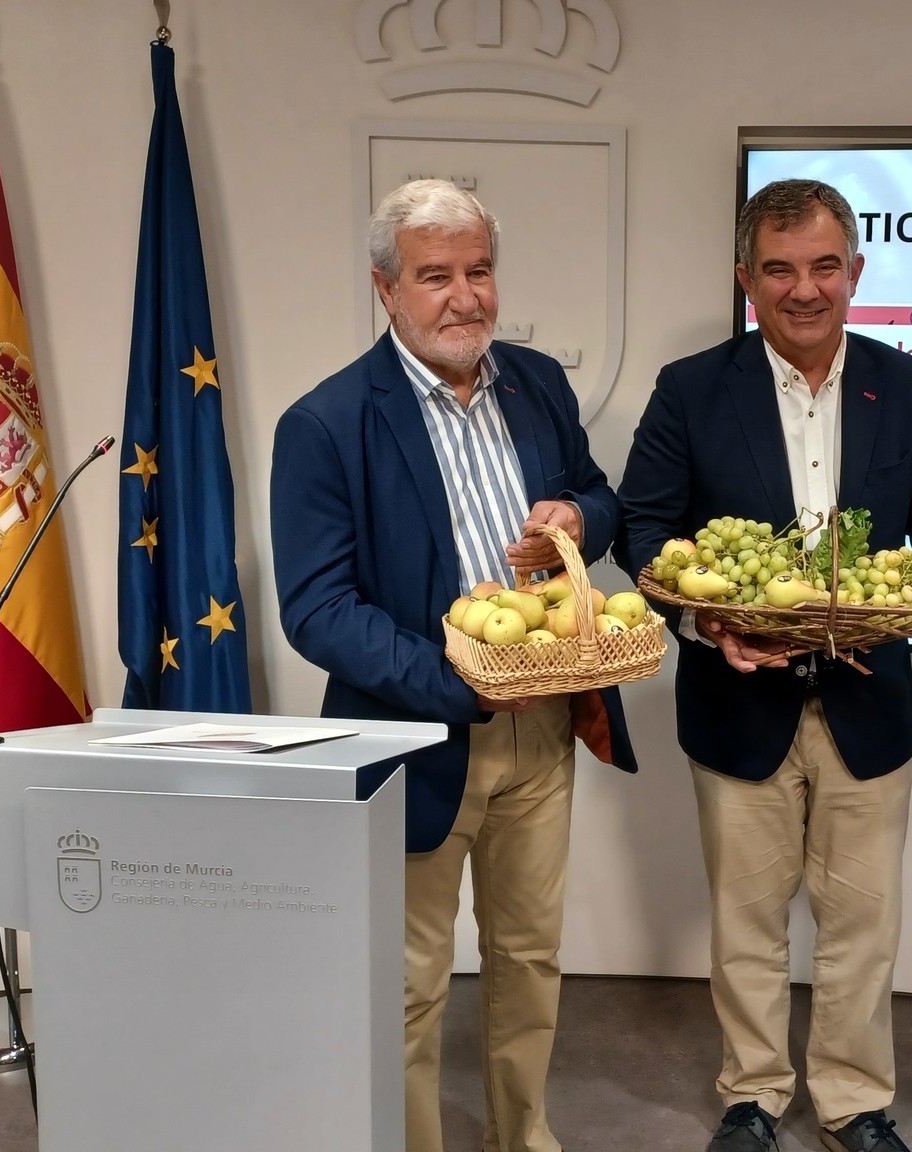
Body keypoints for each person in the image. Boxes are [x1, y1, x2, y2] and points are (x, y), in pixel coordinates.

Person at [617, 178, 912, 1152]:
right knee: (746, 922)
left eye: (824, 266)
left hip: (872, 706)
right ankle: (751, 1096)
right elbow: (645, 531)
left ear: (854, 272)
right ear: (747, 278)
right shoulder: (690, 388)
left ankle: (855, 1104)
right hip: (737, 701)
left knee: (862, 926)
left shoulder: (906, 386)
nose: (804, 289)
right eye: (778, 269)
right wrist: (701, 623)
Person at [270, 179, 637, 1152]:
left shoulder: (536, 382)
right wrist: (458, 682)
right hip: (413, 739)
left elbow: (601, 499)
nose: (464, 296)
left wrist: (577, 518)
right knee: (408, 985)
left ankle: (525, 1137)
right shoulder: (324, 424)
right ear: (385, 289)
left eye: (478, 271)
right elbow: (316, 609)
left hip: (546, 727)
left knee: (528, 959)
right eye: (435, 276)